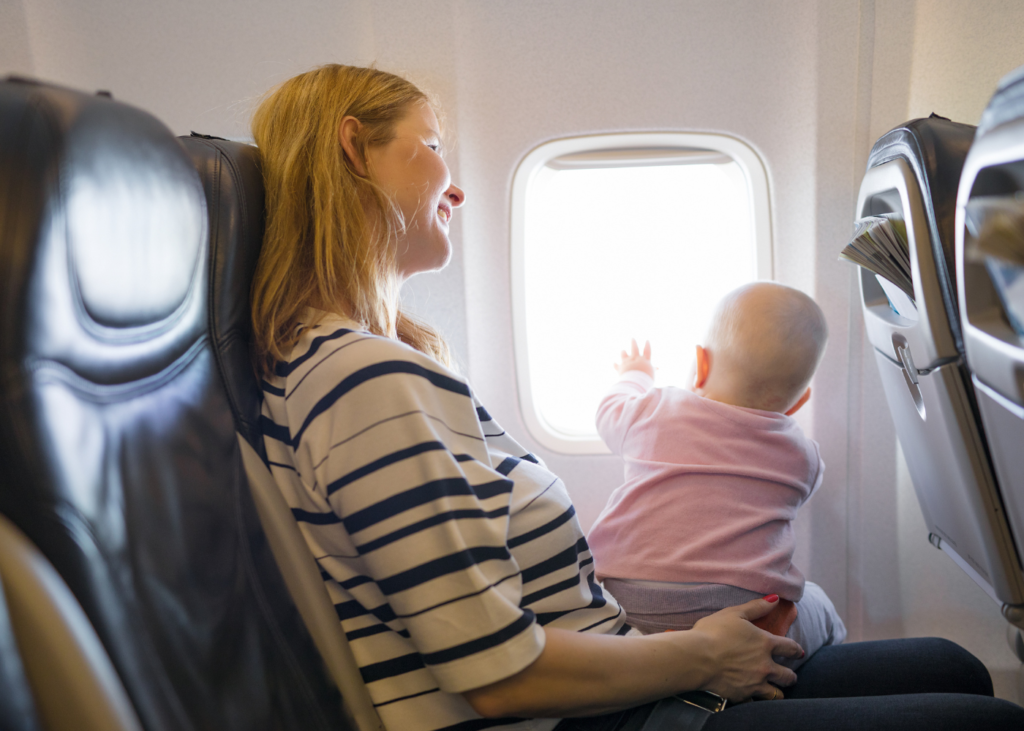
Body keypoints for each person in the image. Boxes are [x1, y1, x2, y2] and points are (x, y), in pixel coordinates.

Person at [250, 63, 1024, 731]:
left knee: (954, 664)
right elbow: (492, 674)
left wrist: (679, 650)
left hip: (614, 680)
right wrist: (699, 652)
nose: (454, 185)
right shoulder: (365, 379)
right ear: (354, 148)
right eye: (432, 147)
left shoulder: (366, 365)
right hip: (580, 717)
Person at [588, 284, 845, 669]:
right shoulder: (803, 456)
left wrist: (636, 374)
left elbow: (608, 411)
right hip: (748, 621)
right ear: (800, 401)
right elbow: (802, 491)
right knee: (819, 604)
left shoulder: (655, 410)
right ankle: (826, 671)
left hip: (626, 610)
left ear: (701, 364)